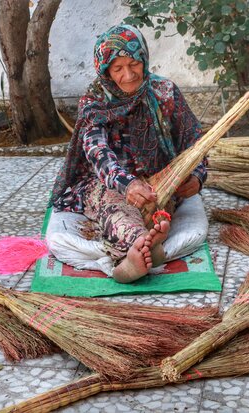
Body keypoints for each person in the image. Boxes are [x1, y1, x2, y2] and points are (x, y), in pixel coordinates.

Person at [49, 24, 206, 283]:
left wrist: (197, 176)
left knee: (157, 202)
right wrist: (127, 183)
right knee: (115, 207)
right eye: (117, 68)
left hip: (157, 178)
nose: (129, 74)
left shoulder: (164, 92)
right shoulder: (94, 101)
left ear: (144, 59)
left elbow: (195, 140)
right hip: (106, 181)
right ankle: (139, 249)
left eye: (134, 64)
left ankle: (149, 238)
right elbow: (97, 152)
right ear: (105, 71)